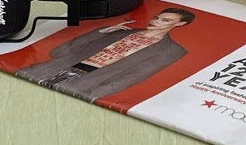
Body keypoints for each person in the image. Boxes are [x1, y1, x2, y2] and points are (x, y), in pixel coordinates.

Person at [15, 7, 195, 102]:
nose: (155, 21)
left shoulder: (172, 51)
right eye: (156, 17)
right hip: (42, 72)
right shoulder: (117, 32)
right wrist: (100, 33)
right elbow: (59, 52)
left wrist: (93, 95)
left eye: (165, 20)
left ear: (179, 25)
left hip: (83, 87)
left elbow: (132, 77)